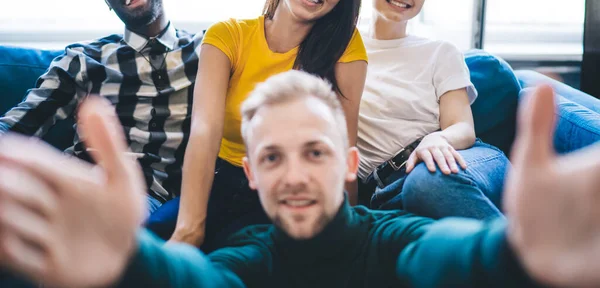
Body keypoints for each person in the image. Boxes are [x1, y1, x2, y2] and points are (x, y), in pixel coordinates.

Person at [2, 70, 600, 288]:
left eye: (314, 153)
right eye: (272, 159)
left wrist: (514, 252)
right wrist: (130, 261)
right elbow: (202, 280)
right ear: (252, 178)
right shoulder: (247, 256)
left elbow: (437, 255)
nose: (293, 176)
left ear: (347, 163)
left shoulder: (391, 238)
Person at [163, 0, 368, 250]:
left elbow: (343, 147)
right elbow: (204, 131)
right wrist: (189, 229)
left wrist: (348, 238)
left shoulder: (346, 47)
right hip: (218, 181)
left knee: (237, 261)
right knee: (140, 250)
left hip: (289, 188)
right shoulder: (227, 36)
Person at [0, 0, 203, 214]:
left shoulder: (206, 52)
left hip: (146, 201)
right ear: (107, 0)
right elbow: (17, 126)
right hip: (76, 184)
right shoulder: (82, 59)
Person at [357, 0, 509, 219]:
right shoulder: (341, 49)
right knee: (421, 185)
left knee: (427, 182)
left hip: (457, 159)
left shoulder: (440, 52)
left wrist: (435, 140)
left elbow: (462, 128)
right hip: (387, 187)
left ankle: (528, 260)